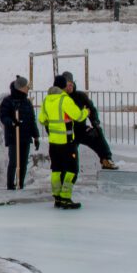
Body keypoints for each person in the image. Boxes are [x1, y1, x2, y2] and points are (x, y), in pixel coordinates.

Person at [39, 71, 89, 210]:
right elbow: (78, 116)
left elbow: (42, 119)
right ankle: (66, 197)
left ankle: (57, 197)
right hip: (67, 142)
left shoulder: (47, 100)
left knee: (56, 170)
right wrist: (86, 112)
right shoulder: (65, 99)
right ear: (62, 86)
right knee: (72, 170)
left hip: (53, 143)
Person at [68, 82, 119, 169]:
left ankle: (106, 159)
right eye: (67, 85)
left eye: (71, 85)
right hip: (68, 131)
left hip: (81, 129)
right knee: (69, 153)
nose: (69, 88)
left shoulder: (80, 96)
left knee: (97, 133)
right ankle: (67, 167)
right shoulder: (61, 98)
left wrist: (95, 122)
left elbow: (91, 109)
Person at [0, 75, 36, 191]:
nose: (28, 88)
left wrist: (36, 136)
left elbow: (31, 120)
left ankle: (21, 184)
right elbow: (3, 116)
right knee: (14, 161)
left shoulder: (27, 102)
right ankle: (10, 185)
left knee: (23, 162)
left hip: (25, 136)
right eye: (26, 86)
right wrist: (13, 122)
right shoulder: (8, 101)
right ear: (20, 87)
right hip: (13, 136)